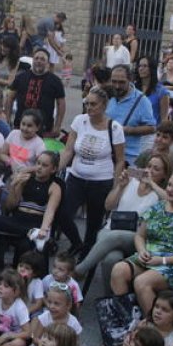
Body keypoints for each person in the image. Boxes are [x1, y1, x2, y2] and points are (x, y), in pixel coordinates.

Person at [109, 169, 173, 313]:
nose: (170, 189)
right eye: (169, 185)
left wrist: (162, 260)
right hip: (149, 257)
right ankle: (126, 320)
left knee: (142, 282)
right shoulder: (157, 207)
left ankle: (154, 329)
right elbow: (140, 236)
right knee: (118, 270)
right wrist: (142, 250)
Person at [59, 85, 126, 257]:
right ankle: (77, 243)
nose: (89, 108)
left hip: (101, 182)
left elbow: (120, 160)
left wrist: (115, 185)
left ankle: (85, 256)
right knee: (63, 214)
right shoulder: (79, 120)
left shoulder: (115, 128)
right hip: (76, 177)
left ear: (104, 106)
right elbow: (68, 151)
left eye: (93, 104)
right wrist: (56, 169)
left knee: (93, 224)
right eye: (87, 103)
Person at [7, 48, 65, 137]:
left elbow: (61, 104)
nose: (39, 61)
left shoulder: (55, 81)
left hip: (44, 129)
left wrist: (57, 126)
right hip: (20, 126)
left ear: (48, 63)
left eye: (42, 59)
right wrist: (7, 118)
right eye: (36, 58)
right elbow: (10, 98)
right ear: (33, 60)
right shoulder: (21, 77)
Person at [107, 65, 157, 168]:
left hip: (128, 157)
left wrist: (128, 130)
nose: (117, 86)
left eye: (121, 82)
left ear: (130, 80)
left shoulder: (142, 101)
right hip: (105, 153)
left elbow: (152, 128)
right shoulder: (107, 94)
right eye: (114, 81)